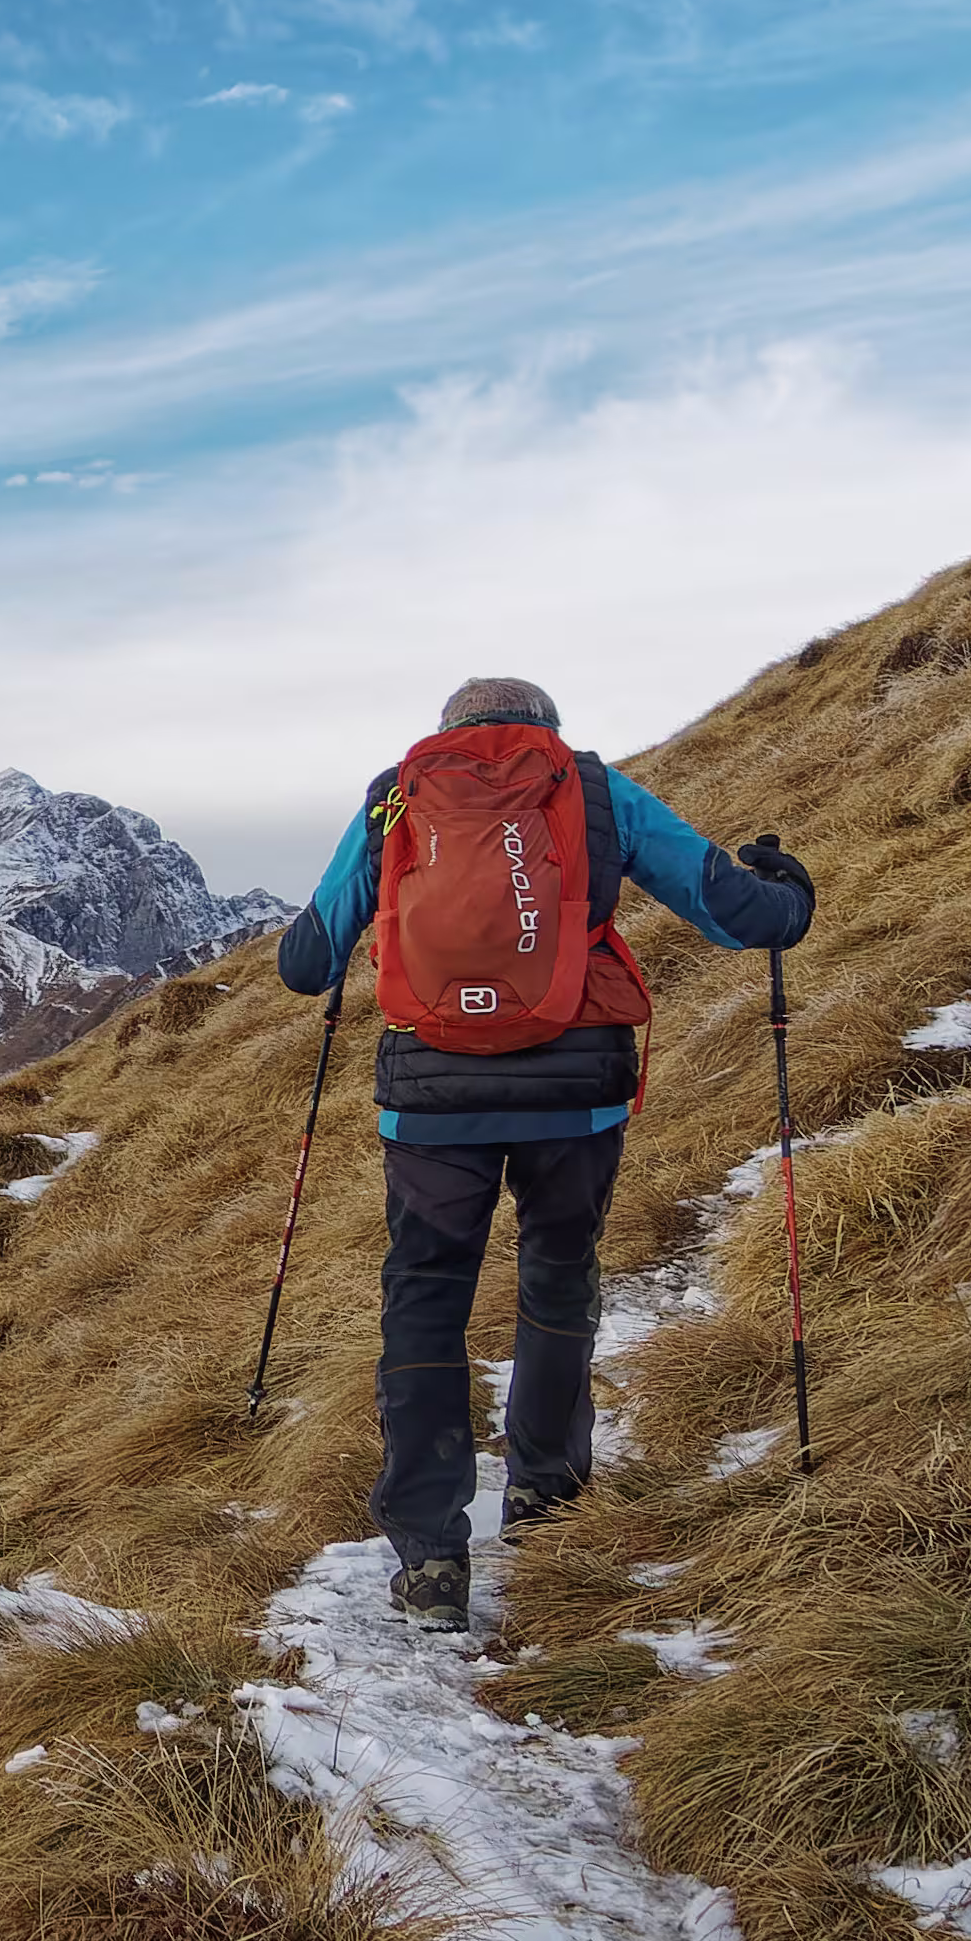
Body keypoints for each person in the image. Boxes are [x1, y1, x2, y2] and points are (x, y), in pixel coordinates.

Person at [274, 676, 811, 1626]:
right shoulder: (595, 791)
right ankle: (545, 1497)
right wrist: (785, 883)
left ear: (446, 736)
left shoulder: (395, 796)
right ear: (547, 733)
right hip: (577, 1091)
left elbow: (307, 963)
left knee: (426, 1295)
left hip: (432, 1099)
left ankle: (433, 1556)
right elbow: (742, 916)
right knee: (560, 1273)